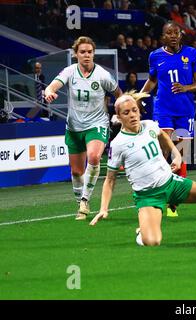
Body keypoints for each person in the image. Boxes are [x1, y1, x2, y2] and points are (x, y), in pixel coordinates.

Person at [89, 92, 196, 246]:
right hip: (148, 197)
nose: (132, 115)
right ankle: (142, 231)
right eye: (126, 112)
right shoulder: (118, 144)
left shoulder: (149, 125)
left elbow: (163, 136)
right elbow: (110, 180)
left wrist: (176, 154)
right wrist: (103, 208)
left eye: (134, 110)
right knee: (153, 241)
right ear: (119, 116)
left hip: (172, 184)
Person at [44, 36, 122, 220]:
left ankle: (85, 200)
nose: (86, 55)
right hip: (74, 126)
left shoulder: (102, 74)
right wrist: (49, 92)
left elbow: (118, 93)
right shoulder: (70, 72)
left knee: (94, 156)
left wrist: (119, 112)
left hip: (97, 124)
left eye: (89, 52)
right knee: (76, 172)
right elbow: (52, 86)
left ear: (93, 54)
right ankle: (80, 200)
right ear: (75, 54)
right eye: (82, 52)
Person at [140, 22, 196, 217]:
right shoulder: (155, 56)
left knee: (181, 153)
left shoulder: (192, 53)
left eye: (176, 32)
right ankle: (156, 192)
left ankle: (174, 200)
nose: (174, 36)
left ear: (180, 35)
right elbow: (152, 80)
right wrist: (139, 97)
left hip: (185, 110)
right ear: (163, 37)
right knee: (164, 148)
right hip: (164, 109)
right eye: (169, 33)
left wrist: (186, 88)